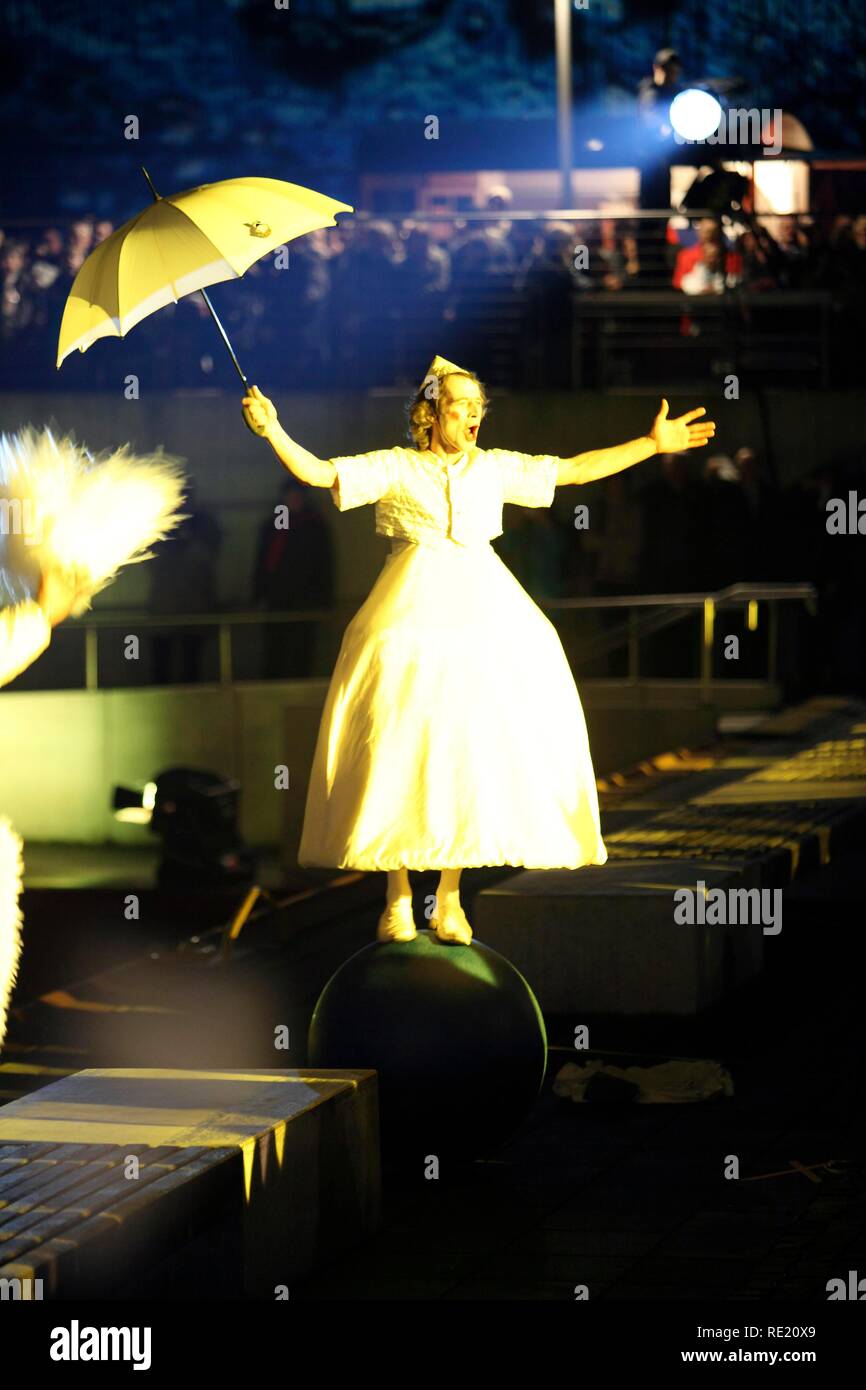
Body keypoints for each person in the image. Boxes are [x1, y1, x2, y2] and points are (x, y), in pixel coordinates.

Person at [242, 358, 715, 945]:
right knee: (398, 741)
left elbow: (570, 472)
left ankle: (448, 895)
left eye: (477, 406)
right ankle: (397, 895)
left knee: (466, 748)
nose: (472, 415)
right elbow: (318, 474)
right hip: (406, 618)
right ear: (430, 412)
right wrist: (273, 430)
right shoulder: (397, 466)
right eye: (460, 405)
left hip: (483, 613)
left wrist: (650, 443)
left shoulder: (493, 469)